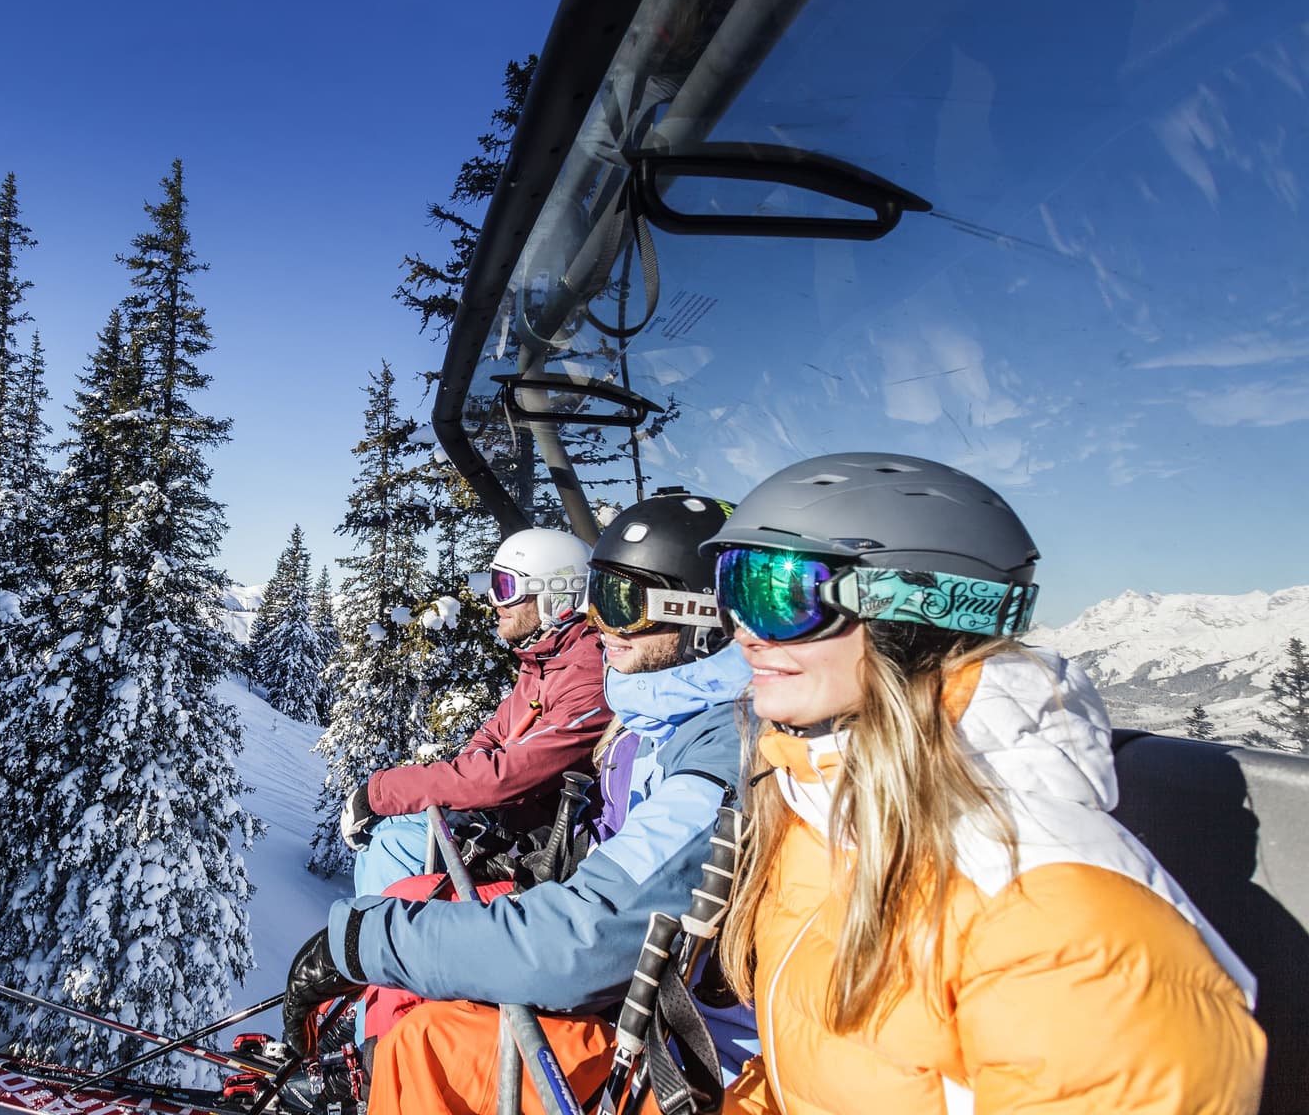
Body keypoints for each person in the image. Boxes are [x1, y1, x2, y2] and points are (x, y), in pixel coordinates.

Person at [700, 452, 1265, 1114]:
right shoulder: (817, 808)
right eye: (732, 588)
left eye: (777, 594)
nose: (741, 631)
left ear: (911, 607)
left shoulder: (1060, 926)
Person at [287, 492, 758, 1115]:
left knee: (429, 1047)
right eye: (596, 596)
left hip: (664, 1024)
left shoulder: (715, 748)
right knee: (410, 903)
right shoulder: (647, 707)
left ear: (698, 616)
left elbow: (584, 932)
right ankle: (363, 1059)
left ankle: (374, 1065)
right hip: (611, 953)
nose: (599, 625)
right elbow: (532, 775)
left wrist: (362, 939)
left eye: (617, 603)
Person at [340, 527, 608, 901]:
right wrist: (470, 798)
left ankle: (376, 947)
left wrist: (381, 791)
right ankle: (367, 938)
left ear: (558, 594)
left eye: (507, 587)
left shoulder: (588, 676)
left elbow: (508, 774)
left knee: (397, 844)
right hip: (514, 825)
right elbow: (494, 735)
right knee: (392, 833)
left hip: (547, 854)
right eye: (494, 585)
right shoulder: (547, 661)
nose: (495, 601)